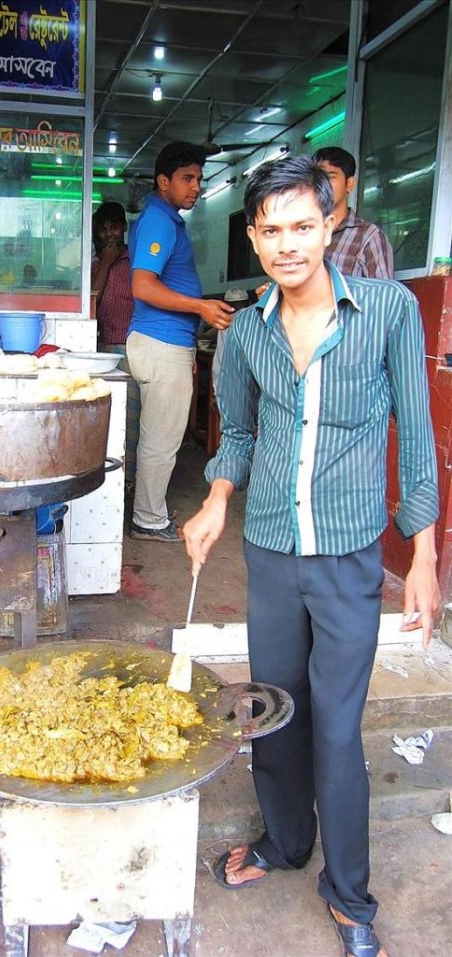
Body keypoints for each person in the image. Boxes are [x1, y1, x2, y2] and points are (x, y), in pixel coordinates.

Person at [183, 155, 439, 957]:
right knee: (273, 710)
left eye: (303, 226)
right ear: (255, 238)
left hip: (346, 556)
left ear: (332, 226)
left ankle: (351, 894)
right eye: (272, 230)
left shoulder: (389, 311)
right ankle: (285, 841)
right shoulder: (245, 332)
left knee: (335, 727)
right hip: (269, 548)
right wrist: (216, 499)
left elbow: (417, 438)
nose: (287, 244)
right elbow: (240, 431)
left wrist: (423, 556)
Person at [127, 141, 235, 542]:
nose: (196, 187)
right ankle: (148, 520)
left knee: (158, 435)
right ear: (163, 181)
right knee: (161, 439)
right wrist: (200, 306)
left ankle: (149, 509)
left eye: (199, 179)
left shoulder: (165, 219)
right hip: (161, 341)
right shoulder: (158, 220)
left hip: (163, 342)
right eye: (187, 178)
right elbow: (143, 286)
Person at [90, 201, 139, 488]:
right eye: (104, 228)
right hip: (101, 349)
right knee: (106, 415)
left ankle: (129, 479)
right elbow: (92, 302)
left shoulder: (136, 263)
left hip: (130, 348)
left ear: (124, 228)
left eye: (114, 227)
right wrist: (106, 264)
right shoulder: (96, 265)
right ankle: (107, 478)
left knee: (130, 417)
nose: (109, 234)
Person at [313, 146, 394, 278]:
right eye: (318, 178)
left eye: (330, 176)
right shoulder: (304, 232)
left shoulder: (368, 237)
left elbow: (383, 290)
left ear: (349, 184)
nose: (323, 184)